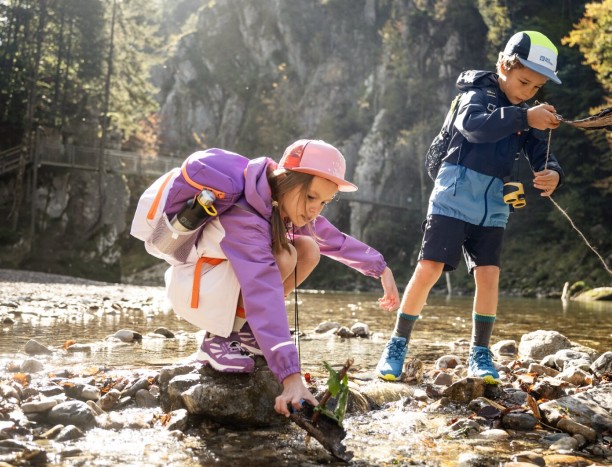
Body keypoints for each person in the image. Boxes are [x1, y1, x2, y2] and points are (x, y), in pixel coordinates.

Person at [150, 140, 400, 416]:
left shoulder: (279, 203)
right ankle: (217, 340)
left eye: (324, 202)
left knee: (307, 248)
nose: (316, 208)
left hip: (216, 285)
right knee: (284, 256)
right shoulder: (246, 215)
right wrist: (290, 376)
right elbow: (263, 289)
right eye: (310, 197)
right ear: (286, 180)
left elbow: (332, 239)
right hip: (196, 288)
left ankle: (244, 332)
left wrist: (380, 268)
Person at [375, 31, 564, 382]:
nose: (528, 92)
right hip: (454, 193)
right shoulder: (476, 95)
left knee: (489, 275)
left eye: (536, 88)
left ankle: (480, 353)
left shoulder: (526, 113)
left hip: (494, 202)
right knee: (429, 268)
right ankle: (396, 344)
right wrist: (525, 118)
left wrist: (551, 172)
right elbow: (474, 128)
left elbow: (542, 151)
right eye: (524, 81)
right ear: (504, 66)